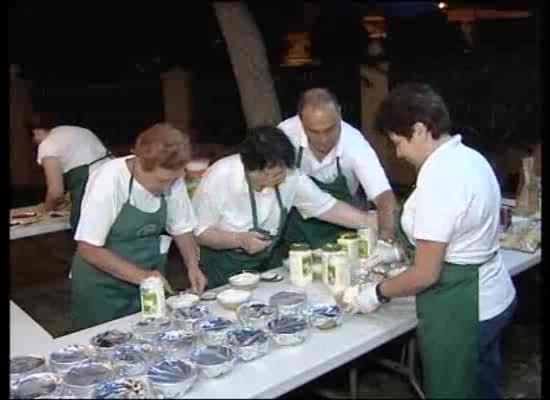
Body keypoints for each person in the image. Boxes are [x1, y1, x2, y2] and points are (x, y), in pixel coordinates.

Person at [338, 83, 517, 398]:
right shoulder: (469, 158)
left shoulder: (440, 180)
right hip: (494, 294)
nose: (399, 153)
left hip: (463, 308)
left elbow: (425, 274)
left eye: (398, 142)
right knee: (483, 387)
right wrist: (400, 254)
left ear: (419, 130)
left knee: (452, 392)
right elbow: (458, 233)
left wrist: (374, 293)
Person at [192, 125, 375, 288]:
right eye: (271, 172)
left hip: (264, 271)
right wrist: (239, 239)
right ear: (250, 168)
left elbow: (327, 207)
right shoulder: (220, 176)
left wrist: (369, 221)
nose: (280, 176)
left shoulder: (290, 176)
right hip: (221, 273)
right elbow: (200, 233)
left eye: (283, 169)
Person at [71, 123, 207, 329]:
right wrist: (142, 276)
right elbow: (88, 247)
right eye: (162, 181)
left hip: (149, 284)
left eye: (174, 180)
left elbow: (182, 228)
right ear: (141, 163)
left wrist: (193, 266)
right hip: (102, 289)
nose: (169, 187)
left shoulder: (173, 178)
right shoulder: (109, 179)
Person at [277, 88, 398, 249]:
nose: (323, 139)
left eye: (330, 129)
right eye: (314, 132)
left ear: (339, 113)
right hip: (296, 231)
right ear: (300, 121)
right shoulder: (285, 135)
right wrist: (367, 220)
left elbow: (384, 196)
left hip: (345, 226)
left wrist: (386, 239)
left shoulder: (354, 143)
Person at [29, 111, 112, 234]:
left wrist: (46, 208)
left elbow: (56, 192)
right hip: (117, 185)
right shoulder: (82, 131)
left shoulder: (48, 144)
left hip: (94, 201)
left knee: (89, 243)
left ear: (35, 132)